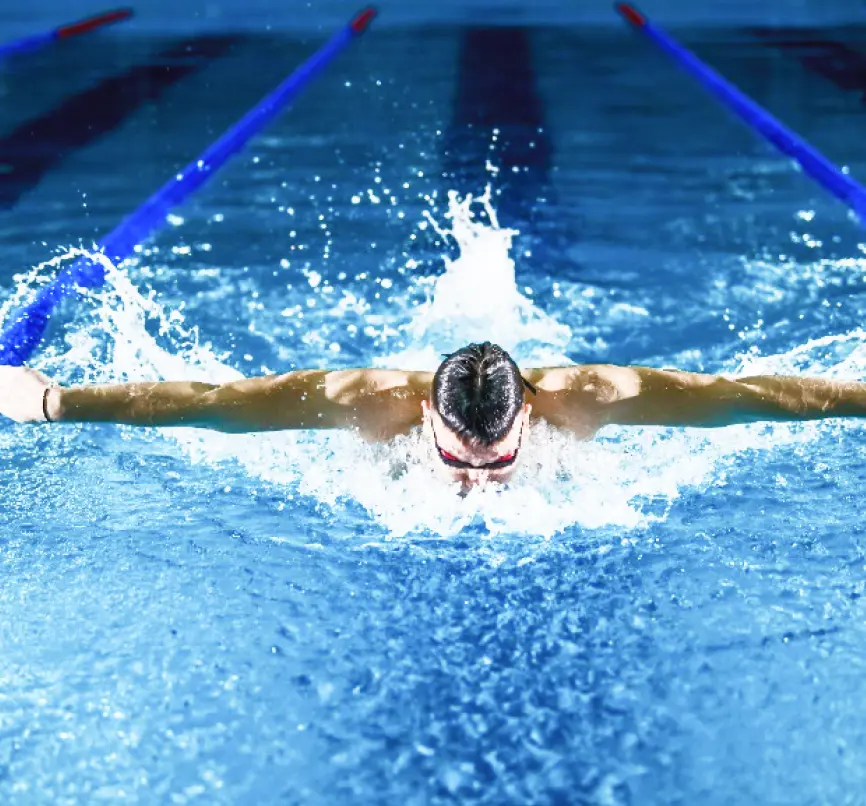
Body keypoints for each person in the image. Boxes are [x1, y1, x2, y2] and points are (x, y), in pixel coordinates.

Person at [1, 341, 864, 491]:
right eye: (456, 462)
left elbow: (750, 395)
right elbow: (210, 406)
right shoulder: (362, 401)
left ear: (531, 411)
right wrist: (52, 402)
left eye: (498, 462)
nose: (476, 485)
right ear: (425, 413)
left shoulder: (593, 397)